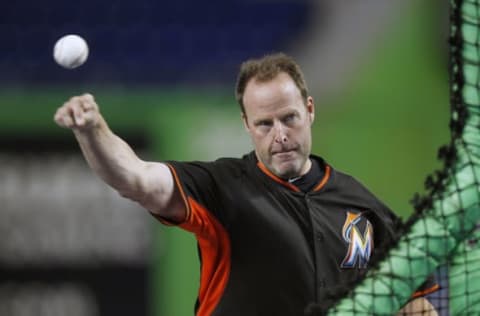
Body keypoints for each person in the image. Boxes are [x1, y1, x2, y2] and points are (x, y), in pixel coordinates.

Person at [54, 53, 438, 315]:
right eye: (264, 124)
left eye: (289, 118)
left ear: (310, 109)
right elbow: (135, 179)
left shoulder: (361, 203)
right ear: (246, 125)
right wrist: (92, 130)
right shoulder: (222, 188)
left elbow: (413, 303)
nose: (280, 134)